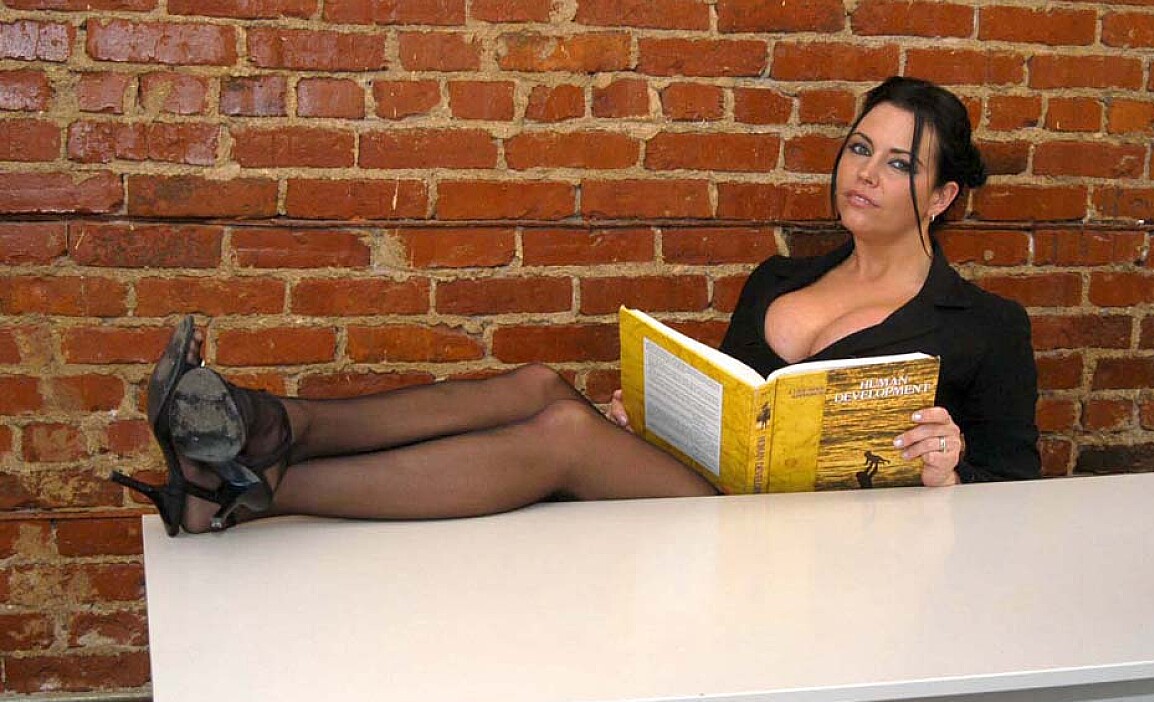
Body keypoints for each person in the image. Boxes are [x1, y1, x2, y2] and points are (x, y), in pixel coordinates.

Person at [111, 76, 1040, 536]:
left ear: (942, 195)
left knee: (562, 432)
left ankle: (253, 488)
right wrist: (666, 417)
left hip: (814, 548)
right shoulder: (779, 279)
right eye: (858, 148)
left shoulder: (986, 328)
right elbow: (740, 416)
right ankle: (268, 424)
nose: (864, 173)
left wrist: (949, 470)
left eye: (898, 163)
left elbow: (1019, 502)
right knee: (541, 384)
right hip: (728, 504)